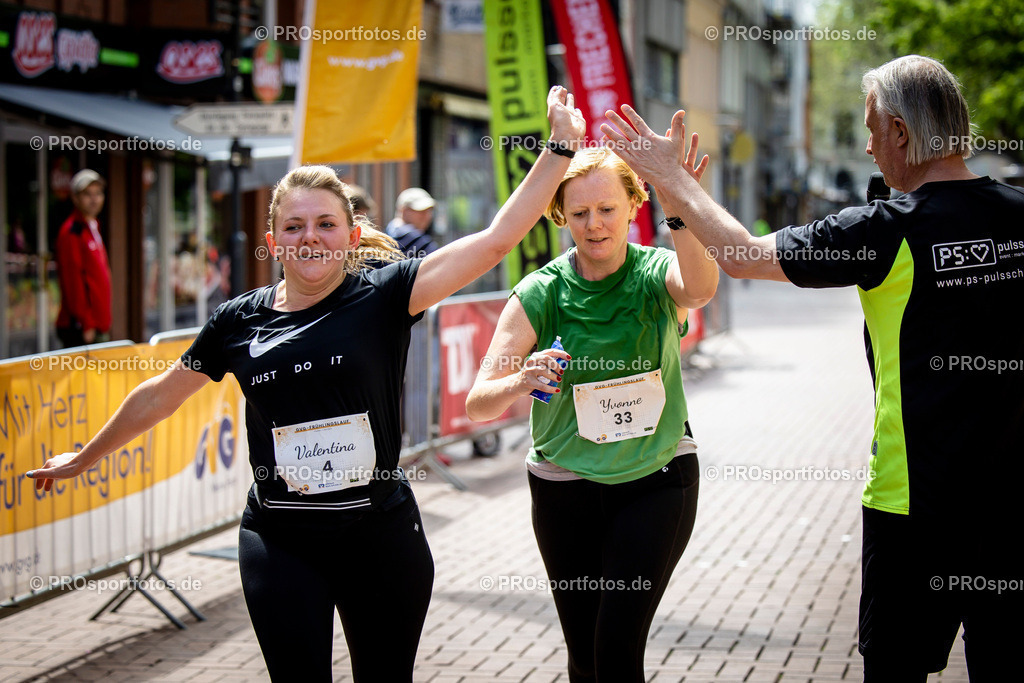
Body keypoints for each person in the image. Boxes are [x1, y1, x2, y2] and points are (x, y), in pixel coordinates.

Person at [27, 86, 587, 682]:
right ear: (273, 243)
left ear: (350, 235)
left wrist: (558, 149)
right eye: (293, 227)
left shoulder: (386, 295)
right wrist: (84, 458)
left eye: (325, 223)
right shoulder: (237, 321)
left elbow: (498, 239)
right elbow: (161, 394)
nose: (310, 237)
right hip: (281, 538)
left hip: (379, 533)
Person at [602, 55, 1024, 681]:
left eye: (872, 129)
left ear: (902, 133)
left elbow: (743, 256)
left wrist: (671, 180)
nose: (869, 145)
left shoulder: (887, 231)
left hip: (914, 509)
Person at [465, 135, 719, 681]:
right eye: (579, 212)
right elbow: (478, 404)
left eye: (607, 209)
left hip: (656, 478)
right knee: (584, 657)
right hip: (564, 488)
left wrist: (681, 206)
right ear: (560, 215)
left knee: (615, 648)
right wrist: (520, 379)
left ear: (634, 205)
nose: (594, 224)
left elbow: (699, 289)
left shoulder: (654, 274)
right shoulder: (540, 292)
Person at [55, 169, 112, 347]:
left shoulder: (93, 227)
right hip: (83, 328)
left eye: (98, 193)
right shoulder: (72, 232)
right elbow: (73, 282)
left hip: (99, 323)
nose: (94, 199)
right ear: (75, 198)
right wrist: (86, 322)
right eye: (88, 194)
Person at [386, 187, 439, 257]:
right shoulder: (418, 241)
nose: (427, 216)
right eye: (421, 211)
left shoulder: (386, 233)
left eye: (429, 211)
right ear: (403, 210)